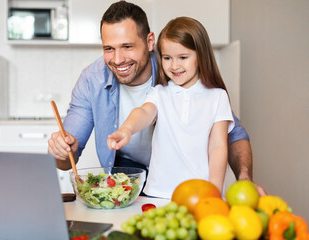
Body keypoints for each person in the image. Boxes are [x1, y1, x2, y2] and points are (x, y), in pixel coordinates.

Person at [47, 1, 266, 196]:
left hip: (188, 178)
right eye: (109, 49)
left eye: (127, 47)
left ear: (150, 41)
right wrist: (62, 148)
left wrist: (244, 180)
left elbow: (232, 134)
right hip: (136, 175)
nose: (118, 59)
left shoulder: (182, 77)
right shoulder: (93, 79)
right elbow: (67, 161)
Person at [108, 16, 233, 197]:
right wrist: (127, 129)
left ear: (201, 55)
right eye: (167, 58)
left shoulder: (217, 97)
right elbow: (143, 112)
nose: (174, 66)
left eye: (183, 57)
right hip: (158, 192)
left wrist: (214, 191)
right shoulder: (159, 93)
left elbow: (218, 147)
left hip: (200, 194)